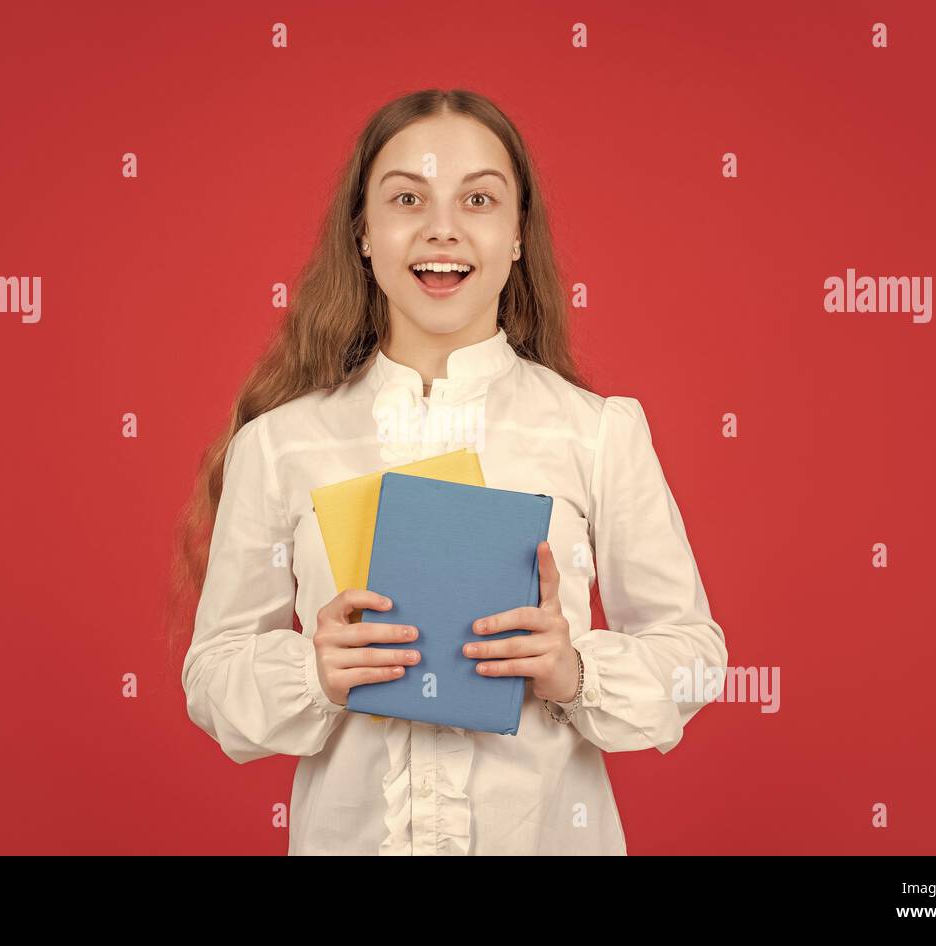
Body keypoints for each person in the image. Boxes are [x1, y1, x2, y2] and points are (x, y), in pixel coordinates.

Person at [170, 88, 728, 855]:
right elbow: (214, 676)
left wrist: (572, 669)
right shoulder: (280, 445)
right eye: (407, 197)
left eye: (478, 199)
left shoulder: (598, 434)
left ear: (518, 235)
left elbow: (693, 657)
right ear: (363, 234)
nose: (442, 228)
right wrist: (314, 672)